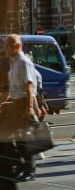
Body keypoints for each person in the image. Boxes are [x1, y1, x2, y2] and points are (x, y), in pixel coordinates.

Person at [2, 34, 39, 182]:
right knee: (8, 136)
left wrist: (29, 108)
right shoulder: (13, 62)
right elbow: (11, 87)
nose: (4, 48)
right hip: (14, 103)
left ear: (16, 47)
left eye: (7, 45)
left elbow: (29, 87)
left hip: (23, 103)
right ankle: (19, 164)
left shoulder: (24, 62)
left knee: (23, 138)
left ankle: (30, 169)